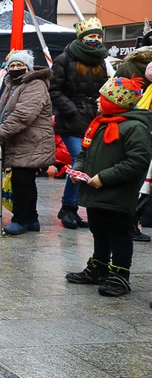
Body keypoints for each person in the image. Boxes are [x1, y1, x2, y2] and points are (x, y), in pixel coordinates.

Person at [65, 77, 152, 297]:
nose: (96, 100)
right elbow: (85, 151)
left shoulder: (134, 127)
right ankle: (99, 267)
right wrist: (79, 168)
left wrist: (104, 177)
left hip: (118, 192)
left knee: (119, 234)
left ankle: (120, 275)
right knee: (99, 230)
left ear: (115, 102)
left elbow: (137, 161)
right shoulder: (100, 123)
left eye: (102, 97)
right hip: (96, 190)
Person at [50, 17, 109, 230]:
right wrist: (71, 110)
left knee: (86, 162)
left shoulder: (101, 60)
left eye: (98, 36)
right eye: (91, 36)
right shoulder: (64, 59)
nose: (95, 40)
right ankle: (68, 206)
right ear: (82, 38)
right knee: (78, 161)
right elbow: (54, 89)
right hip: (71, 119)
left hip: (93, 117)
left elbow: (102, 87)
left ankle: (71, 208)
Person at [0, 50, 56, 236]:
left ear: (28, 67)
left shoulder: (34, 85)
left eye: (20, 65)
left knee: (21, 180)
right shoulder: (12, 84)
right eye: (12, 65)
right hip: (22, 139)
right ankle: (31, 219)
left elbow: (23, 115)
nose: (16, 68)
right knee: (25, 181)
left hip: (31, 140)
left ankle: (20, 219)